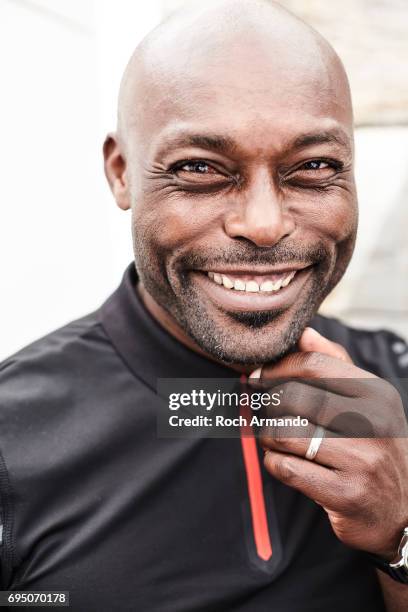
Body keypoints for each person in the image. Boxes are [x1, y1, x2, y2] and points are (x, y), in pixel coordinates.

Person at [1, 1, 408, 610]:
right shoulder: (13, 437)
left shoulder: (395, 385)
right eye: (199, 169)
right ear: (121, 173)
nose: (265, 225)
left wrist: (398, 535)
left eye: (314, 167)